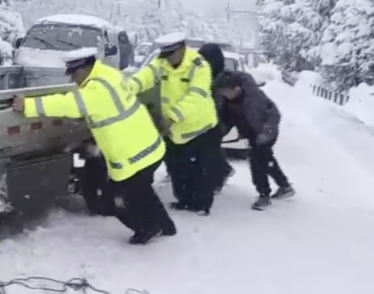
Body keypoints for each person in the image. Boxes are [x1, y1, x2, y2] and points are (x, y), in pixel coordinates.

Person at [12, 48, 175, 244]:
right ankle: (165, 225)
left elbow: (68, 104)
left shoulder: (97, 90)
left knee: (114, 199)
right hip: (148, 147)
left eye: (74, 74)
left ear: (86, 68)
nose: (73, 79)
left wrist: (28, 106)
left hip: (134, 155)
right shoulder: (109, 74)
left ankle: (147, 228)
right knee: (142, 191)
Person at [125, 33, 219, 215]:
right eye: (165, 55)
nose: (167, 59)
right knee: (177, 167)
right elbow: (144, 77)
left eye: (171, 54)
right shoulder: (163, 62)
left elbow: (196, 96)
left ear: (182, 49)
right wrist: (125, 89)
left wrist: (173, 117)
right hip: (174, 127)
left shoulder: (199, 66)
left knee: (201, 169)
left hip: (199, 126)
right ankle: (184, 200)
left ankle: (202, 204)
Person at [214, 70, 295, 210]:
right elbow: (227, 119)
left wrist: (266, 132)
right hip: (251, 132)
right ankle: (285, 186)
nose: (223, 95)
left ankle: (264, 195)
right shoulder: (227, 100)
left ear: (236, 88)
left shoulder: (255, 98)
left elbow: (275, 115)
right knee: (267, 160)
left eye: (225, 91)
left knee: (257, 162)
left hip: (265, 132)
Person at [196, 43, 237, 194]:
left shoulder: (221, 78)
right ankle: (222, 171)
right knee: (208, 150)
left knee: (210, 151)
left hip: (221, 120)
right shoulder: (207, 74)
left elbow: (220, 102)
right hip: (211, 119)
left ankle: (217, 179)